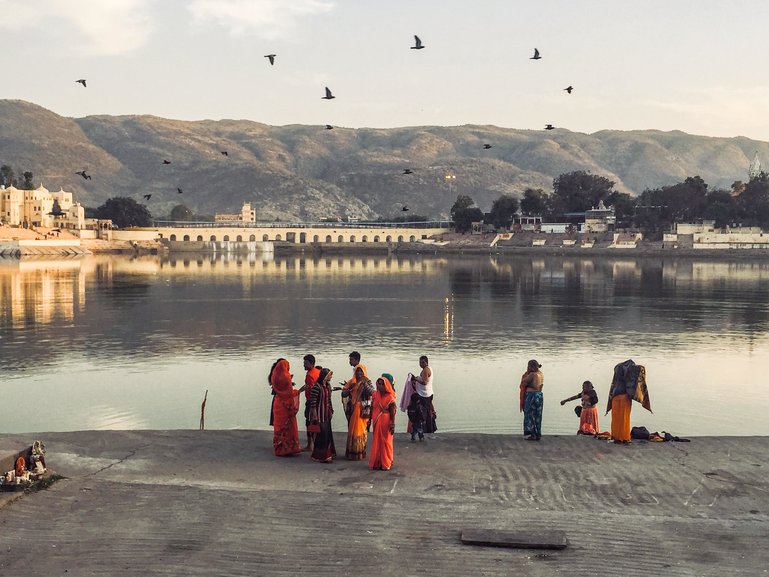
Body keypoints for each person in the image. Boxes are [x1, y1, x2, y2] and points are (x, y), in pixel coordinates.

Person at [606, 359, 651, 444]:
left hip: (615, 396)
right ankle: (624, 438)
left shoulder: (618, 368)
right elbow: (640, 369)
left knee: (616, 418)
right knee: (624, 418)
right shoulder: (630, 370)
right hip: (625, 397)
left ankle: (615, 436)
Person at [269, 358, 305, 456]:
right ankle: (289, 448)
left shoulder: (275, 375)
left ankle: (280, 448)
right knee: (289, 426)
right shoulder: (285, 376)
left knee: (279, 426)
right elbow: (288, 393)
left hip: (277, 402)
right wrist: (298, 391)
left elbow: (280, 389)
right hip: (285, 404)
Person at [340, 364, 374, 460]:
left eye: (361, 371)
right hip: (353, 409)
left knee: (361, 430)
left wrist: (364, 384)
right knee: (352, 430)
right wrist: (351, 389)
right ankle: (352, 452)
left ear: (364, 372)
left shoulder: (367, 381)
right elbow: (343, 393)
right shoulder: (351, 381)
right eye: (357, 371)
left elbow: (372, 392)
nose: (359, 373)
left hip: (363, 410)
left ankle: (360, 452)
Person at [309, 367, 336, 463]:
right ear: (325, 376)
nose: (331, 377)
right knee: (321, 435)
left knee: (327, 435)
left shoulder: (328, 386)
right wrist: (315, 415)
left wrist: (331, 410)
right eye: (330, 375)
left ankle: (327, 454)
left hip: (326, 414)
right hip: (319, 415)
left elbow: (329, 400)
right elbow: (313, 402)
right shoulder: (317, 387)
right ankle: (320, 456)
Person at [369, 375, 397, 470]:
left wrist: (392, 424)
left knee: (386, 442)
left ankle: (386, 462)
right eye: (379, 384)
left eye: (382, 384)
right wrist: (369, 420)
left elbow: (392, 411)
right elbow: (372, 407)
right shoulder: (375, 395)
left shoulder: (390, 397)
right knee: (377, 441)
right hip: (376, 421)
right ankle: (377, 462)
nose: (380, 386)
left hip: (386, 421)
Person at [408, 355, 437, 441]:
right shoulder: (428, 369)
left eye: (422, 362)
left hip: (424, 395)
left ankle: (424, 430)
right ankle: (428, 429)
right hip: (428, 394)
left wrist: (416, 379)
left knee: (422, 414)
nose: (421, 364)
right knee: (427, 413)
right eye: (420, 362)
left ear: (426, 362)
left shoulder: (425, 370)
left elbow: (424, 382)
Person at [520, 359, 544, 441]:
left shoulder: (532, 374)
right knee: (538, 415)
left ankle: (533, 434)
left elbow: (523, 382)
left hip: (531, 395)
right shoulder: (541, 374)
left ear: (531, 367)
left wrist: (526, 374)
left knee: (530, 414)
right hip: (539, 395)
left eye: (528, 366)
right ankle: (538, 433)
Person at [302, 354, 321, 452]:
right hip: (319, 402)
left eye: (306, 363)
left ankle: (310, 445)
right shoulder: (318, 372)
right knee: (317, 422)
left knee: (309, 422)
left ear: (312, 364)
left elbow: (310, 388)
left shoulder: (310, 375)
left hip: (311, 401)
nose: (304, 365)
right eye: (304, 363)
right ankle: (316, 444)